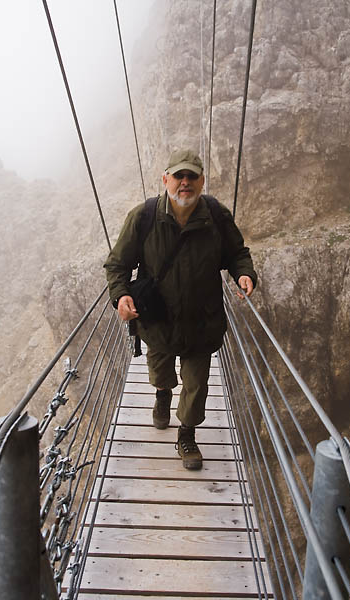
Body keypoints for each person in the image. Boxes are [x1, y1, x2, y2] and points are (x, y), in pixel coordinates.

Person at [104, 149, 257, 470]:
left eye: (191, 176)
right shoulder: (143, 217)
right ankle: (162, 394)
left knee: (196, 384)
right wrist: (120, 296)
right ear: (166, 179)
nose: (185, 182)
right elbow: (117, 265)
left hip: (202, 321)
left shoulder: (216, 216)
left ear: (202, 181)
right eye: (178, 176)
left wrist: (244, 273)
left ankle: (187, 434)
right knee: (160, 372)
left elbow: (236, 253)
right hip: (158, 320)